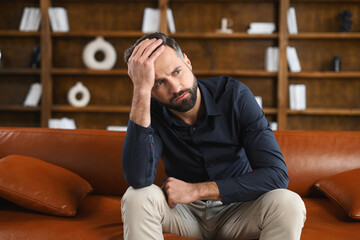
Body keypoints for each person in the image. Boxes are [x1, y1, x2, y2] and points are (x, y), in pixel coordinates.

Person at [121, 32, 306, 240]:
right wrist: (141, 91)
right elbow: (139, 179)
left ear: (188, 62)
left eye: (177, 71)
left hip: (239, 209)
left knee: (289, 203)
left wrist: (197, 190)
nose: (176, 87)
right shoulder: (148, 110)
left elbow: (276, 174)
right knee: (136, 197)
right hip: (183, 212)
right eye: (158, 83)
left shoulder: (234, 96)